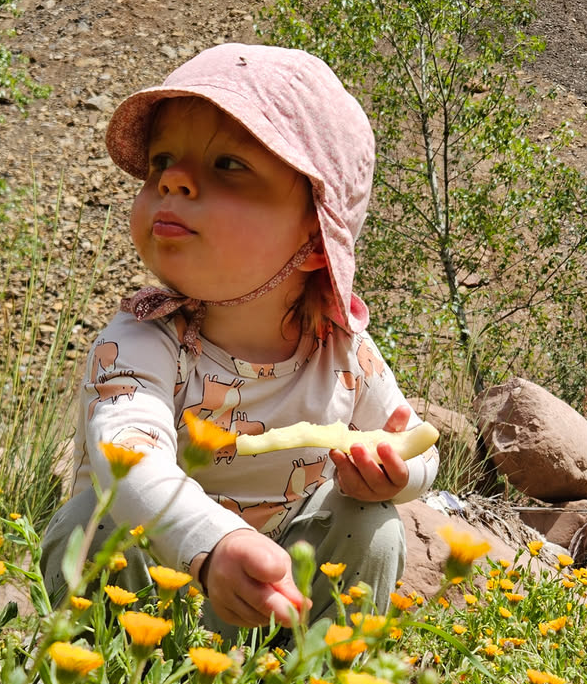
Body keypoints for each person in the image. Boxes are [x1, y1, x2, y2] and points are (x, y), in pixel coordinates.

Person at [41, 44, 438, 636]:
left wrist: (397, 474)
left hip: (274, 593)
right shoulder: (144, 339)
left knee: (371, 523)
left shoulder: (342, 349)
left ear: (316, 236)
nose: (173, 179)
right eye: (161, 161)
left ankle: (316, 676)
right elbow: (127, 452)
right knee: (95, 522)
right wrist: (214, 545)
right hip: (145, 592)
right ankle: (104, 681)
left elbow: (416, 443)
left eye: (228, 164)